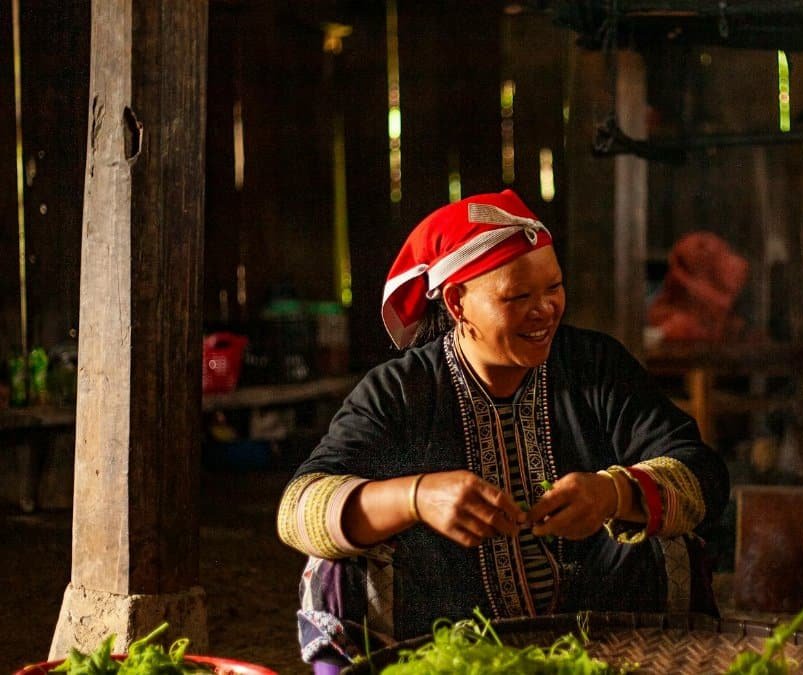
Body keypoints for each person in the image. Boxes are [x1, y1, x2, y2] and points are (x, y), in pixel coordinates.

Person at [276, 190, 730, 671]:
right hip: (448, 637)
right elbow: (298, 508)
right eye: (518, 297)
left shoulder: (595, 366)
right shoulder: (399, 392)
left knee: (667, 534)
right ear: (457, 303)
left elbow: (702, 474)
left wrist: (613, 494)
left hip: (596, 636)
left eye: (553, 288)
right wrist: (416, 498)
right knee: (336, 563)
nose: (545, 310)